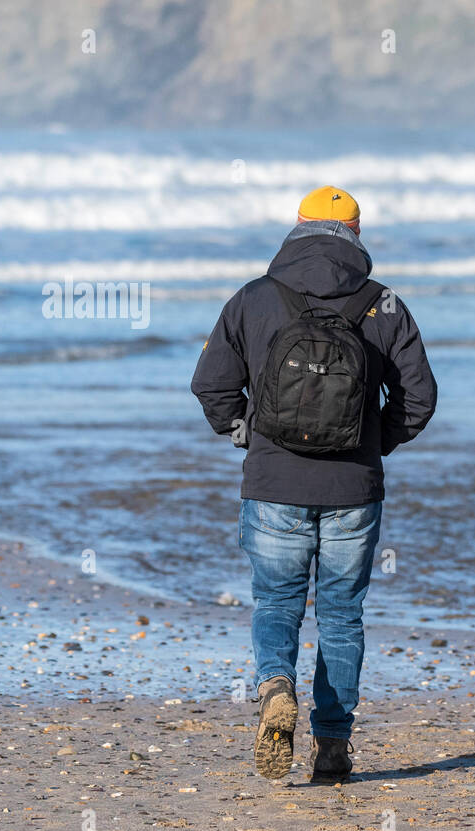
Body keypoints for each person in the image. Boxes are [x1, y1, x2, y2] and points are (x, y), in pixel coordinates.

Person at [191, 186, 436, 782]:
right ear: (357, 231)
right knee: (341, 613)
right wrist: (374, 443)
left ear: (295, 226)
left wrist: (245, 432)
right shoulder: (384, 305)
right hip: (353, 490)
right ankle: (331, 744)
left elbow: (212, 385)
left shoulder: (252, 299)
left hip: (273, 482)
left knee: (276, 601)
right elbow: (419, 398)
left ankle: (276, 685)